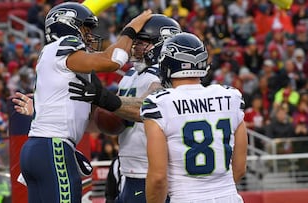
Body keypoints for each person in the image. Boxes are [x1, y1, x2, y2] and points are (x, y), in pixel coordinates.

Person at [12, 2, 152, 203]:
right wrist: (130, 30)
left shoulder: (55, 57)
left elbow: (84, 113)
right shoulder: (63, 46)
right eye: (85, 29)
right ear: (68, 25)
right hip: (53, 146)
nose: (89, 36)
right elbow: (112, 61)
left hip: (39, 146)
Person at [140, 33, 247, 203]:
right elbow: (240, 167)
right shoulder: (231, 97)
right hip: (229, 197)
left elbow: (158, 177)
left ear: (167, 64)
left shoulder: (159, 103)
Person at [114, 14, 181, 203]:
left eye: (142, 42)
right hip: (129, 167)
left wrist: (104, 100)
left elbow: (143, 108)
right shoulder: (130, 75)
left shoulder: (167, 75)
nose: (135, 47)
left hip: (152, 170)